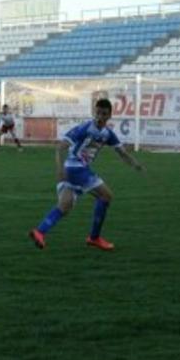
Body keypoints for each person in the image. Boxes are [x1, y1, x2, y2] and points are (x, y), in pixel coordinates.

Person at [29, 98, 145, 251]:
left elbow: (122, 152)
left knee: (65, 206)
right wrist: (59, 169)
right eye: (98, 113)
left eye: (104, 114)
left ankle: (40, 232)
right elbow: (61, 147)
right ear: (94, 112)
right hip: (75, 168)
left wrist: (135, 164)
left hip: (74, 171)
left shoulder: (108, 134)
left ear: (109, 115)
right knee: (106, 196)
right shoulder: (84, 128)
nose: (100, 116)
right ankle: (94, 238)